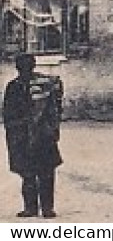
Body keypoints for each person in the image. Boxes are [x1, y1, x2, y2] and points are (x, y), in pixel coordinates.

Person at [3, 55, 63, 219]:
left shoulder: (42, 85)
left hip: (42, 135)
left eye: (27, 66)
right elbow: (8, 114)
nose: (25, 70)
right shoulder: (15, 87)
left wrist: (51, 129)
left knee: (43, 173)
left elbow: (54, 110)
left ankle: (44, 208)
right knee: (30, 173)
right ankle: (35, 208)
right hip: (25, 136)